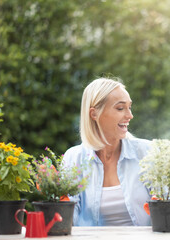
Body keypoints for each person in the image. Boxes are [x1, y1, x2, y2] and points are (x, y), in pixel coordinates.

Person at [62, 77, 151, 226]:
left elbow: (165, 207)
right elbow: (68, 220)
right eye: (120, 108)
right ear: (94, 114)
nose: (130, 115)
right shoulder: (74, 158)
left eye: (130, 107)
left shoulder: (146, 152)